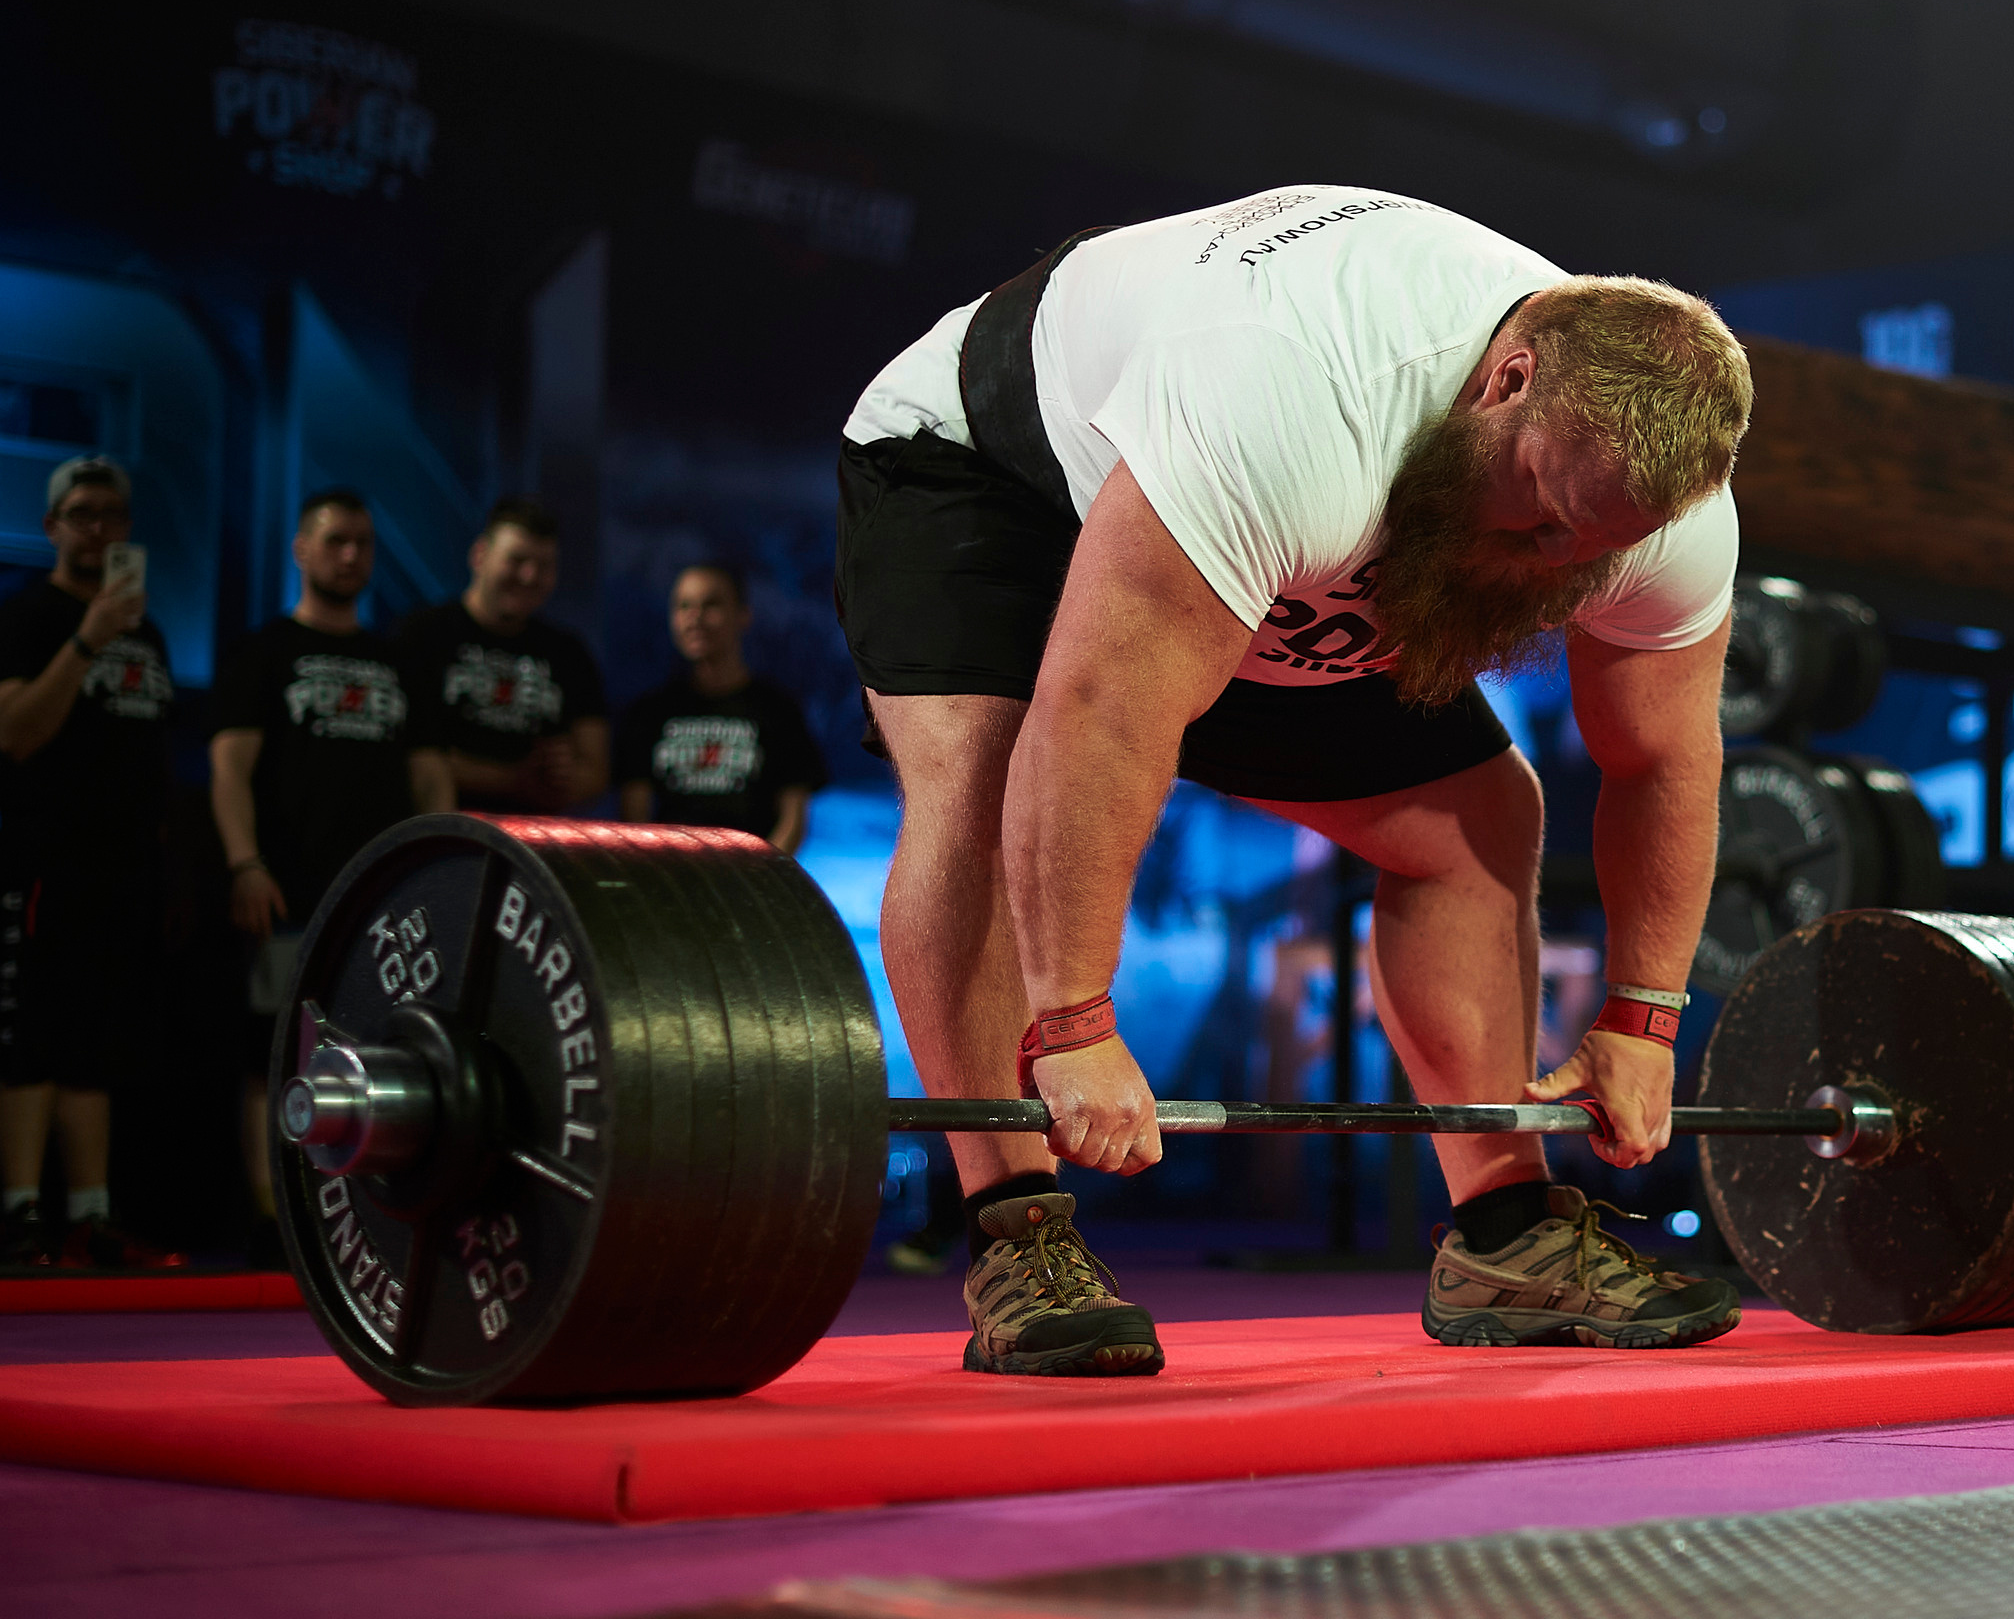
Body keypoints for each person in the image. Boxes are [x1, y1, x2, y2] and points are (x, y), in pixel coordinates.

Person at [836, 186, 1751, 1374]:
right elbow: (1106, 711)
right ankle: (1016, 1230)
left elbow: (1661, 757)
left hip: (1268, 543)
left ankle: (1508, 1237)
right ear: (1506, 380)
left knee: (1474, 819)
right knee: (981, 780)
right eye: (1537, 512)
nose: (1551, 563)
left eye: (1590, 549)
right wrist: (1071, 1021)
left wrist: (1642, 1018)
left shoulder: (1650, 513)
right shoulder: (1293, 396)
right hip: (994, 467)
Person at [209, 490, 455, 1257]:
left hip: (381, 897)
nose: (352, 556)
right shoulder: (264, 651)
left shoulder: (397, 661)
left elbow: (431, 779)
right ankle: (270, 1217)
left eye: (363, 544)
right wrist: (244, 862)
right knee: (273, 1057)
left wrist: (442, 873)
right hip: (285, 890)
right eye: (336, 541)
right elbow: (228, 768)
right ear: (301, 551)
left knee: (382, 1054)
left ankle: (358, 1218)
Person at [0, 456, 184, 1269]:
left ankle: (91, 1217)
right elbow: (16, 733)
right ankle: (19, 1217)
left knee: (99, 1045)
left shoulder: (151, 632)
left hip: (127, 868)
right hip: (45, 856)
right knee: (35, 1037)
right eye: (81, 512)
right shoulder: (28, 615)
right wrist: (87, 639)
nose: (98, 527)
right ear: (52, 527)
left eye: (112, 512)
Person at [396, 498, 608, 814]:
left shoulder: (568, 652)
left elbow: (596, 772)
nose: (529, 576)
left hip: (536, 853)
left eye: (545, 566)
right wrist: (514, 780)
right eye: (516, 560)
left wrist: (563, 775)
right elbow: (407, 755)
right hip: (444, 842)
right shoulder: (423, 635)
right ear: (480, 555)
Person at [615, 563, 826, 852]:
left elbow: (794, 819)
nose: (695, 618)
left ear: (743, 615)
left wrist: (760, 879)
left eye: (711, 604)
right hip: (669, 877)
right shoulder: (650, 711)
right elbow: (634, 817)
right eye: (683, 606)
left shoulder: (778, 709)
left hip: (753, 881)